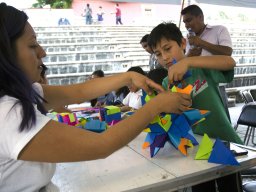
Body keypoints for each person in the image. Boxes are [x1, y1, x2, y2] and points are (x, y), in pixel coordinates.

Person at [0, 4, 192, 191]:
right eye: (33, 45)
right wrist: (155, 106)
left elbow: (79, 92)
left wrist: (128, 76)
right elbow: (102, 145)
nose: (42, 52)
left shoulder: (23, 93)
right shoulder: (8, 115)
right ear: (5, 53)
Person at [147, 21, 243, 192]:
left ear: (183, 43)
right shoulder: (165, 83)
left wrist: (190, 62)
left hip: (223, 142)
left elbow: (230, 61)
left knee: (230, 187)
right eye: (158, 54)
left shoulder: (200, 68)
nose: (164, 57)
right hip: (195, 150)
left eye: (167, 49)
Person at [181, 4, 233, 122]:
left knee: (220, 122)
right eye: (184, 22)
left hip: (215, 85)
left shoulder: (219, 30)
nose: (186, 25)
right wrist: (190, 56)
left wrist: (202, 43)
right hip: (195, 87)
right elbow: (186, 61)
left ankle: (224, 141)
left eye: (189, 20)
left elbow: (228, 52)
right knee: (201, 123)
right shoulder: (189, 38)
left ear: (200, 17)